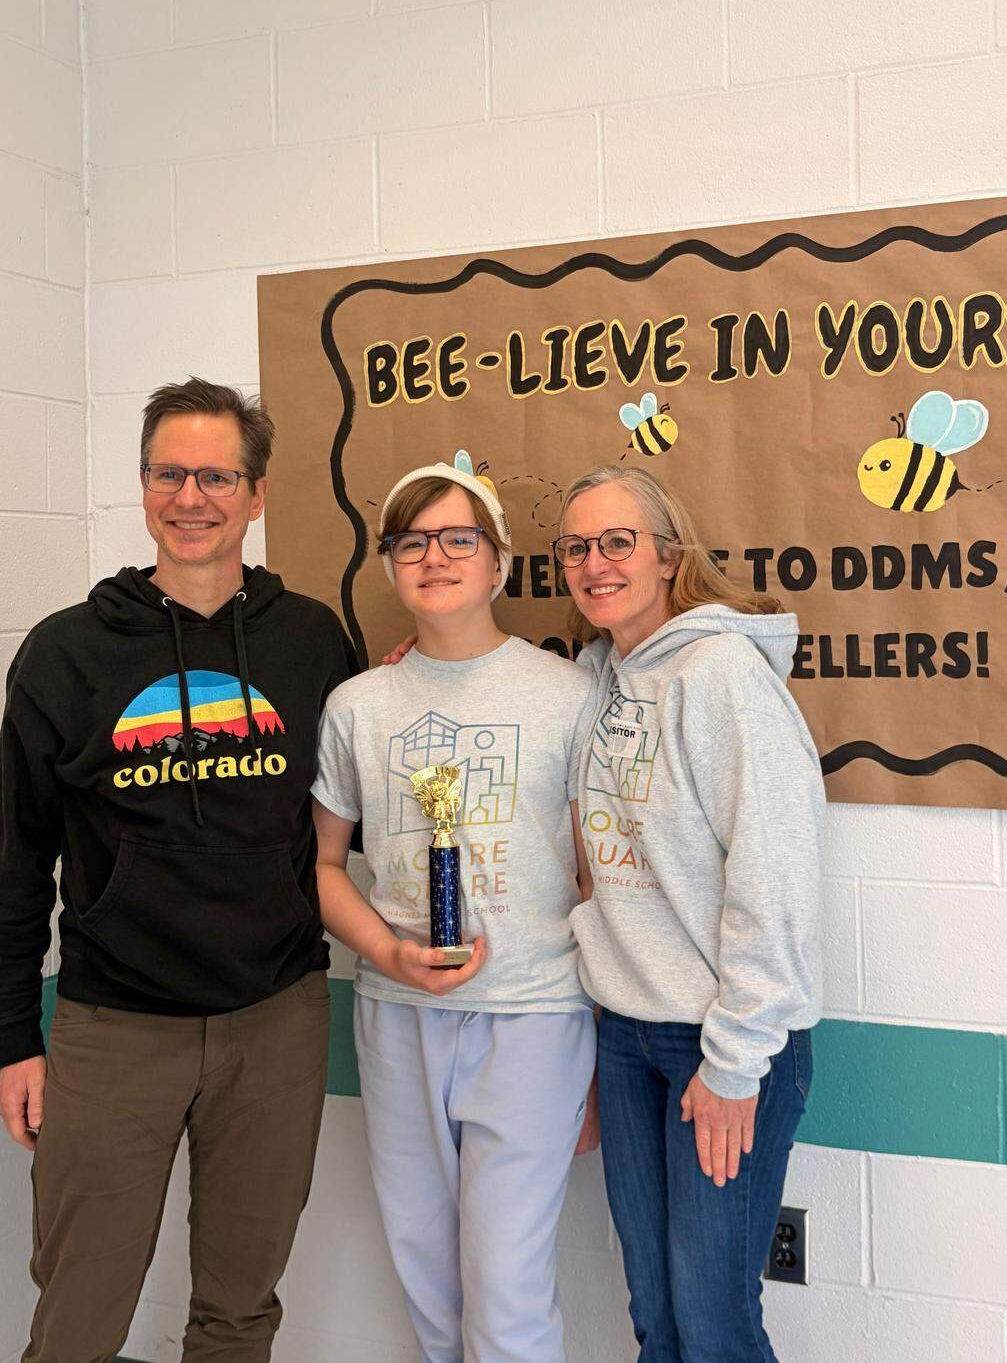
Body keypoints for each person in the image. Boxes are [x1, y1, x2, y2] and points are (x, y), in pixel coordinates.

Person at [0, 377, 358, 1362]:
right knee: (77, 1318)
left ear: (257, 493)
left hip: (276, 1018)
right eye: (169, 474)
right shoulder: (67, 651)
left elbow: (356, 808)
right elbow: (17, 856)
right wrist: (12, 1038)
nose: (190, 497)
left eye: (216, 476)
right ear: (143, 484)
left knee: (240, 1313)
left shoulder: (311, 641)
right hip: (114, 1025)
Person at [311, 461, 598, 1363]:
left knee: (506, 1290)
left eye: (458, 538)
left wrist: (604, 1053)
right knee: (429, 1279)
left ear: (499, 560)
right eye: (411, 542)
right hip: (397, 1015)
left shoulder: (568, 694)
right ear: (390, 564)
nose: (434, 557)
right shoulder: (358, 706)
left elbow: (598, 881)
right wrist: (387, 954)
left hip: (535, 1014)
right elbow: (321, 864)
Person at [555, 464, 823, 1363]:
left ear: (670, 556)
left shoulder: (723, 675)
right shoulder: (597, 677)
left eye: (617, 542)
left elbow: (774, 874)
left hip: (719, 1042)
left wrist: (735, 1060)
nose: (595, 563)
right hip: (625, 1038)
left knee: (713, 1327)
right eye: (575, 548)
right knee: (657, 1319)